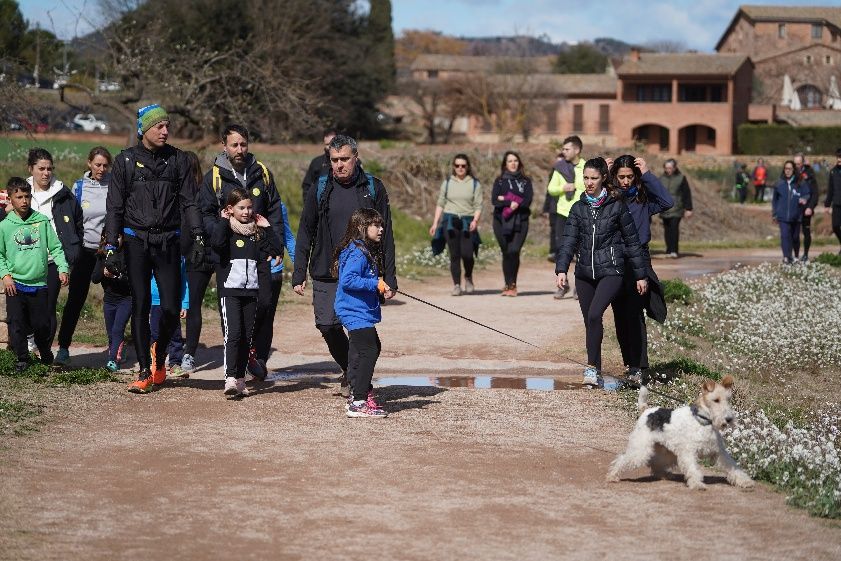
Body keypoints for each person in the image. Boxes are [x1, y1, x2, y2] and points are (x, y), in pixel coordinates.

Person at [105, 104, 205, 393]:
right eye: (159, 126)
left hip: (169, 241)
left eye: (167, 126)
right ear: (143, 130)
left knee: (172, 308)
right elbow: (114, 207)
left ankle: (159, 355)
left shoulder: (179, 160)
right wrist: (112, 245)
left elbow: (189, 202)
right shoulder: (124, 161)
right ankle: (144, 372)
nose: (165, 131)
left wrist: (198, 235)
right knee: (141, 304)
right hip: (135, 240)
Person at [293, 134, 397, 398]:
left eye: (344, 159)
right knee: (327, 324)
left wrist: (389, 276)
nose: (339, 165)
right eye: (334, 160)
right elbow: (306, 230)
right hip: (326, 269)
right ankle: (352, 371)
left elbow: (387, 234)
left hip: (362, 271)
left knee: (360, 331)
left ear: (356, 158)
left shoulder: (373, 187)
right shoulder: (321, 187)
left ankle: (357, 384)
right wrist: (299, 271)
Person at [197, 124, 284, 381]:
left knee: (265, 304)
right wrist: (220, 236)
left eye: (243, 144)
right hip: (229, 255)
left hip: (259, 251)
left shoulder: (263, 173)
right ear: (224, 146)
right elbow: (205, 214)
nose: (239, 149)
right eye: (234, 145)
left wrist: (274, 243)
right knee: (233, 308)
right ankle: (237, 364)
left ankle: (256, 355)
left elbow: (275, 210)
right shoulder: (213, 177)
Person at [555, 158, 646, 388]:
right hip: (585, 272)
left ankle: (595, 367)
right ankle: (593, 369)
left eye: (593, 178)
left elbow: (632, 242)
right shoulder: (578, 207)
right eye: (585, 178)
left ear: (604, 178)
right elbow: (568, 241)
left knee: (596, 314)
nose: (588, 182)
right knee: (590, 321)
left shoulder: (617, 205)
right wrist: (562, 269)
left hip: (612, 270)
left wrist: (640, 274)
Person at [607, 155, 673, 383]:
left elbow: (667, 202)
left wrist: (647, 174)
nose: (625, 181)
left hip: (640, 259)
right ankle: (629, 363)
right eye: (621, 177)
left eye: (630, 177)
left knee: (635, 313)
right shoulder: (610, 198)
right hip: (615, 260)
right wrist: (605, 175)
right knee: (619, 313)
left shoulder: (643, 200)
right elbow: (589, 198)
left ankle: (639, 366)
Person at [209, 187, 280, 397]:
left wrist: (267, 227)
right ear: (230, 209)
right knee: (234, 334)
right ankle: (229, 377)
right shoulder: (226, 229)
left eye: (249, 207)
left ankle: (240, 379)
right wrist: (223, 221)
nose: (246, 212)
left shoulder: (257, 233)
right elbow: (217, 244)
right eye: (241, 208)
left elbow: (276, 249)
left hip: (251, 292)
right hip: (230, 290)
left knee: (246, 338)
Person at [0, 177, 69, 371]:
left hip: (39, 283)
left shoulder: (41, 221)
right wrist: (5, 276)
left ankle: (45, 351)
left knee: (42, 324)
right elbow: (0, 254)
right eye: (19, 197)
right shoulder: (5, 226)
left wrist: (62, 268)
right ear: (10, 199)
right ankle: (22, 359)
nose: (24, 201)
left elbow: (56, 248)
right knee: (17, 323)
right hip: (15, 283)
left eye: (27, 196)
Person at [54, 146, 112, 366]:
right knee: (75, 300)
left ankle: (116, 347)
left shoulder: (114, 185)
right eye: (97, 164)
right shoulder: (78, 187)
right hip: (84, 250)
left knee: (114, 300)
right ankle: (63, 347)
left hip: (107, 250)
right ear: (89, 163)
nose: (101, 169)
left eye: (105, 165)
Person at [332, 208, 389, 418]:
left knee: (362, 350)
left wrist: (380, 288)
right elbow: (347, 280)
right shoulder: (357, 251)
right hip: (354, 311)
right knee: (369, 350)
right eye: (376, 225)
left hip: (358, 310)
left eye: (381, 225)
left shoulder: (362, 248)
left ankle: (356, 396)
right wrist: (375, 283)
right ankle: (359, 402)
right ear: (361, 227)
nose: (381, 229)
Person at [26, 148, 83, 349]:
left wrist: (70, 254)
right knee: (26, 307)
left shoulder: (63, 194)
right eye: (41, 168)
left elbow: (77, 224)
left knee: (47, 307)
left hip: (52, 260)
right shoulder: (21, 193)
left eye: (49, 168)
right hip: (25, 260)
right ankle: (27, 347)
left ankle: (44, 351)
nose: (46, 173)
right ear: (30, 169)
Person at [428, 154, 482, 296]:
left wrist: (475, 221)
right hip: (450, 221)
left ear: (468, 167)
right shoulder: (447, 182)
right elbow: (440, 203)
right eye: (457, 165)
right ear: (453, 167)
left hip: (467, 221)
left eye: (463, 166)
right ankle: (456, 285)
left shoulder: (474, 183)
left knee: (467, 254)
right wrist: (435, 223)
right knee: (455, 254)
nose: (460, 168)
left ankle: (468, 277)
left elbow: (478, 205)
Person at [252, 200, 296, 371]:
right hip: (245, 271)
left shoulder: (278, 206)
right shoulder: (239, 205)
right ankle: (247, 356)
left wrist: (299, 267)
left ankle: (260, 361)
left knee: (266, 318)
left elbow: (288, 236)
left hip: (272, 271)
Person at [546, 136, 585, 298]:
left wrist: (577, 186)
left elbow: (591, 186)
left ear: (577, 150)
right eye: (563, 149)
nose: (564, 152)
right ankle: (563, 284)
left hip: (582, 214)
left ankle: (580, 286)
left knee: (582, 252)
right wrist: (563, 187)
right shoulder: (559, 167)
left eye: (567, 149)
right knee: (562, 250)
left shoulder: (587, 167)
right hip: (562, 214)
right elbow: (551, 189)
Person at [491, 151, 533, 297]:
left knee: (514, 251)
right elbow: (495, 201)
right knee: (506, 252)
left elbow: (527, 201)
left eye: (515, 160)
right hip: (500, 221)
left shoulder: (526, 181)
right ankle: (507, 284)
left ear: (519, 163)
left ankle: (513, 284)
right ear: (505, 164)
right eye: (509, 161)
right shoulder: (500, 181)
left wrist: (506, 199)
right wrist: (512, 201)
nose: (513, 163)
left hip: (521, 221)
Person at [181, 150, 208, 375]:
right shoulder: (172, 192)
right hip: (175, 253)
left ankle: (188, 352)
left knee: (192, 305)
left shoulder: (201, 193)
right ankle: (176, 350)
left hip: (197, 256)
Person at [91, 234, 131, 372]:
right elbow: (95, 279)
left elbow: (130, 281)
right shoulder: (102, 255)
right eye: (108, 236)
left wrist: (116, 275)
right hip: (109, 300)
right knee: (110, 333)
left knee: (117, 329)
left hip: (126, 299)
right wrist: (103, 271)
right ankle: (119, 350)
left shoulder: (127, 254)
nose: (114, 240)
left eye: (117, 237)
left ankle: (112, 360)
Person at [150, 260, 189, 377]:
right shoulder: (151, 254)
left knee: (175, 335)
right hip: (155, 302)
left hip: (173, 301)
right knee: (156, 335)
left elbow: (184, 281)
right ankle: (157, 365)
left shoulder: (179, 257)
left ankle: (175, 364)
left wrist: (185, 304)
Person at [772, 160, 810, 264]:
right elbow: (774, 200)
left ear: (794, 170)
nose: (787, 171)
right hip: (782, 216)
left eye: (789, 169)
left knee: (795, 237)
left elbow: (807, 193)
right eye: (786, 169)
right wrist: (774, 213)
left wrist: (804, 199)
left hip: (796, 215)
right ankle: (786, 257)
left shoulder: (800, 182)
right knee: (784, 236)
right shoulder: (779, 183)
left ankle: (796, 256)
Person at [658, 159, 693, 258]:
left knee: (674, 228)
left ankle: (674, 250)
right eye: (666, 168)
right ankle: (668, 250)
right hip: (664, 208)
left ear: (674, 168)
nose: (668, 170)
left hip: (677, 207)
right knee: (667, 229)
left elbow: (686, 193)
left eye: (670, 168)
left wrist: (688, 208)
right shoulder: (661, 179)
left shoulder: (681, 178)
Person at [793, 153, 819, 262]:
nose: (797, 166)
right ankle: (795, 256)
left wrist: (811, 207)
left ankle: (805, 254)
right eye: (795, 164)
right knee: (794, 234)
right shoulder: (789, 172)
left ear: (803, 163)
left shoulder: (810, 174)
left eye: (799, 164)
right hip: (794, 209)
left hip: (806, 209)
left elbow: (815, 193)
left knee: (806, 232)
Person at [301, 129, 337, 200]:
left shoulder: (349, 162)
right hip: (320, 207)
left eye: (332, 144)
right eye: (327, 144)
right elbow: (307, 186)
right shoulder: (316, 162)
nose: (329, 147)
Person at [824, 148, 841, 254]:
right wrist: (827, 204)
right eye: (838, 157)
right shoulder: (833, 171)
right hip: (837, 203)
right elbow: (830, 189)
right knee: (835, 226)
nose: (839, 159)